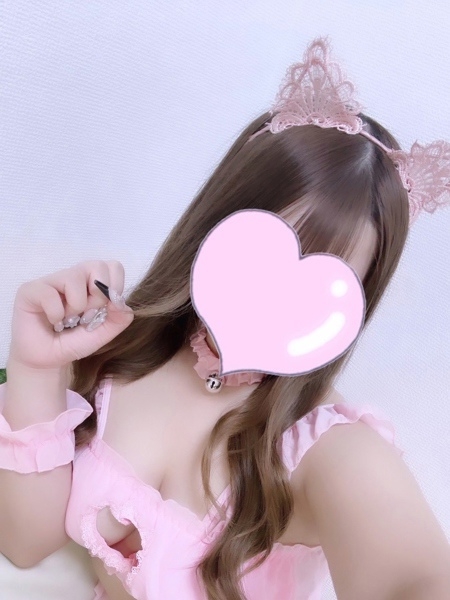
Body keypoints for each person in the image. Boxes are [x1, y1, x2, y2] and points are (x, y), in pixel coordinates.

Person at [1, 36, 450, 600]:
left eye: (316, 288)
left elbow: (416, 579)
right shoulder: (119, 348)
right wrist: (36, 368)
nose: (271, 297)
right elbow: (25, 543)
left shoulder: (322, 449)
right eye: (260, 252)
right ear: (213, 224)